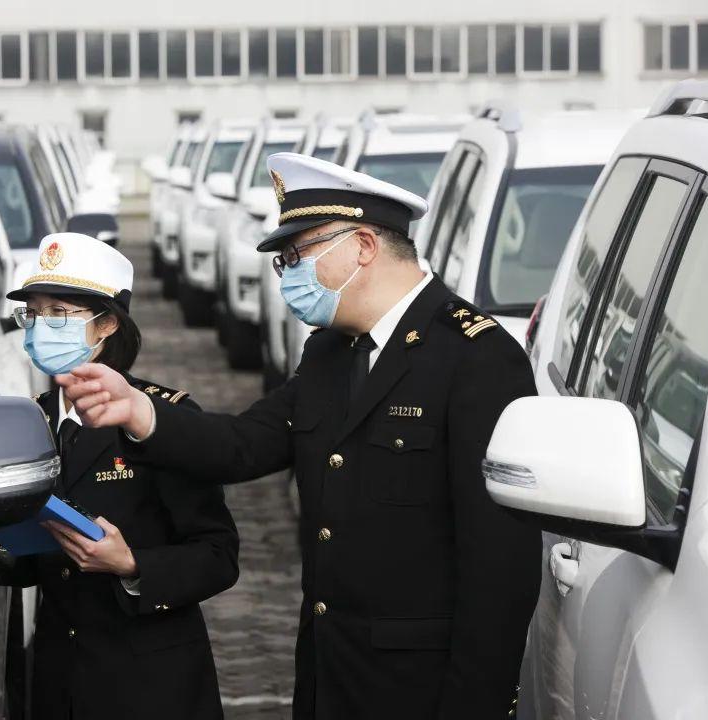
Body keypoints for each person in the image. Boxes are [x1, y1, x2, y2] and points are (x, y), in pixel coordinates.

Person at [59, 154, 543, 719]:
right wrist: (141, 412)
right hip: (331, 677)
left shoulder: (476, 357)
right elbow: (245, 443)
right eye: (282, 261)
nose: (289, 274)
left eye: (299, 255)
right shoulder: (331, 351)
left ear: (363, 245)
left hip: (421, 688)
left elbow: (500, 571)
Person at [0, 232, 239, 720]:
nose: (41, 327)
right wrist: (0, 542)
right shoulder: (26, 423)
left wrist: (132, 565)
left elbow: (218, 555)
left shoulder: (161, 420)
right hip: (58, 681)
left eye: (58, 313)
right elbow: (22, 567)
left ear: (104, 326)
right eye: (32, 314)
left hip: (148, 685)